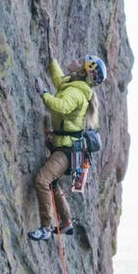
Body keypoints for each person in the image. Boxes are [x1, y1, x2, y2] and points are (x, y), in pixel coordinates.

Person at [28, 54, 107, 241]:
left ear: (83, 71)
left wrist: (43, 93)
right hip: (68, 149)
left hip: (66, 150)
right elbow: (59, 82)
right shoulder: (74, 85)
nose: (76, 60)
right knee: (52, 183)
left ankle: (45, 228)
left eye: (81, 62)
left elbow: (61, 107)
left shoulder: (77, 93)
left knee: (42, 180)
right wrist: (51, 59)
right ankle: (66, 223)